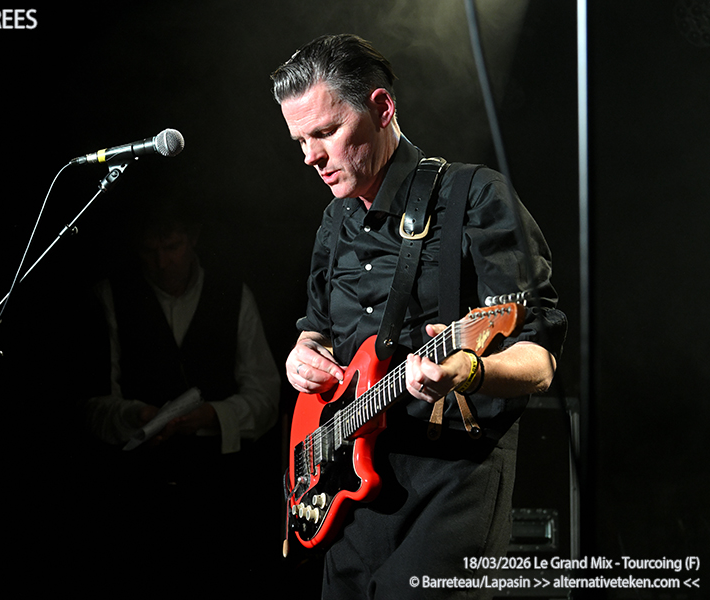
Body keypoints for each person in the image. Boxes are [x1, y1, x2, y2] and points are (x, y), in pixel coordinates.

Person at [271, 34, 566, 598]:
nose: (310, 156)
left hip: (452, 478)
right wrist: (302, 357)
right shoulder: (334, 220)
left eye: (325, 132)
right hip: (348, 486)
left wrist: (468, 371)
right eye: (300, 140)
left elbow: (541, 359)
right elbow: (318, 333)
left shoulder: (475, 197)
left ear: (382, 108)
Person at [81, 198, 281, 596]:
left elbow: (266, 395)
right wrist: (135, 415)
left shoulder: (232, 294)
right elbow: (91, 405)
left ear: (192, 239)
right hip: (137, 493)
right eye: (149, 250)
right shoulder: (111, 295)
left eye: (171, 247)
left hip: (219, 493)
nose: (161, 262)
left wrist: (214, 415)